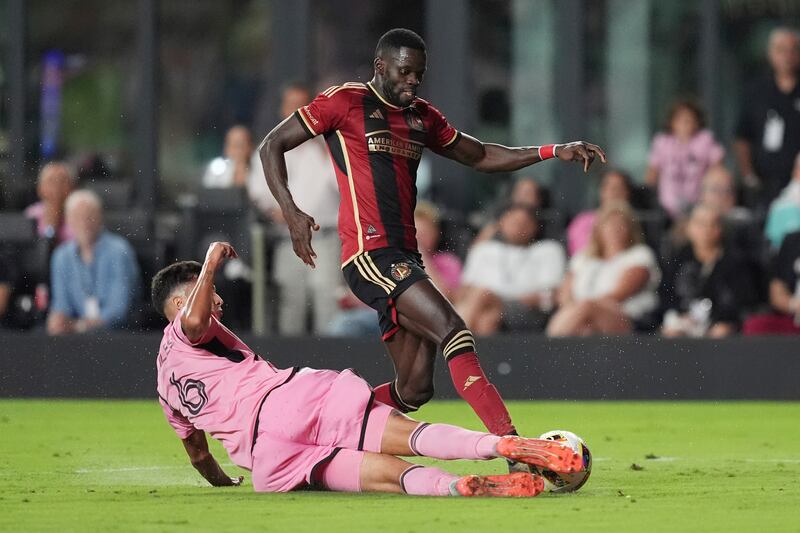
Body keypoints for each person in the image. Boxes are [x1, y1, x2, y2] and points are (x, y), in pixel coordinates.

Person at [258, 28, 606, 446]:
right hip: (370, 252)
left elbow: (479, 155)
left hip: (405, 256)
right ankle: (512, 445)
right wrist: (292, 212)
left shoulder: (421, 115)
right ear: (380, 66)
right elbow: (271, 145)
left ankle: (321, 428)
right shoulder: (344, 101)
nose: (411, 82)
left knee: (415, 388)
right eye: (404, 72)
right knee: (453, 328)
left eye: (418, 75)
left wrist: (551, 150)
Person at [152, 242, 582, 496]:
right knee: (412, 437)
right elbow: (192, 320)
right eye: (206, 294)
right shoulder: (190, 324)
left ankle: (453, 487)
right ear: (178, 303)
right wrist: (210, 262)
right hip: (289, 400)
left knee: (389, 477)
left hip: (270, 459)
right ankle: (500, 447)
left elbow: (199, 455)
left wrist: (223, 483)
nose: (218, 302)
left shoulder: (164, 385)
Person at [249, 83, 342, 335]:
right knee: (291, 302)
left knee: (327, 300)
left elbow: (340, 185)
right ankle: (291, 367)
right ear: (282, 108)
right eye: (291, 105)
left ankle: (334, 366)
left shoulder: (325, 148)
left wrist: (325, 145)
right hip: (287, 237)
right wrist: (278, 211)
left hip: (324, 236)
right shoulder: (269, 147)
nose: (296, 110)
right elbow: (258, 192)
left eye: (302, 105)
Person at [546, 202, 661, 337]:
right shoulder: (582, 258)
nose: (615, 229)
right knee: (586, 327)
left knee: (587, 308)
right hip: (580, 319)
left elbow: (620, 293)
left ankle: (548, 346)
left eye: (621, 224)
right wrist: (577, 311)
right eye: (610, 224)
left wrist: (585, 308)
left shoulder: (640, 254)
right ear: (599, 229)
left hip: (627, 317)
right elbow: (564, 293)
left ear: (631, 229)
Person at [456, 206, 565, 335]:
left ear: (535, 226)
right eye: (513, 222)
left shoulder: (549, 249)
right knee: (487, 319)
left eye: (524, 223)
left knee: (482, 294)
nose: (519, 227)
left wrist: (501, 299)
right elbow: (465, 289)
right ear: (501, 224)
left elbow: (553, 294)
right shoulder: (483, 249)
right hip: (486, 306)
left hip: (526, 309)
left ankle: (453, 344)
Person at [46, 190, 141, 335]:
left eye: (89, 216)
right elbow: (61, 306)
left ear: (100, 217)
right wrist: (58, 321)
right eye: (77, 216)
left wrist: (80, 326)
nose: (84, 222)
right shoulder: (61, 256)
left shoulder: (119, 251)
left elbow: (119, 310)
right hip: (76, 340)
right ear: (68, 221)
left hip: (118, 338)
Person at [661, 205, 757, 338]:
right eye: (700, 224)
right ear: (689, 228)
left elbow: (741, 300)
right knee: (671, 332)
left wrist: (721, 321)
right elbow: (666, 293)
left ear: (720, 229)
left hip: (718, 322)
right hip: (684, 319)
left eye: (713, 224)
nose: (706, 230)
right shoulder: (679, 259)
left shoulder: (735, 262)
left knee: (721, 332)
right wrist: (680, 315)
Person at [735, 28, 800, 208]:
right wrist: (748, 175)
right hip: (764, 185)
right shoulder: (756, 91)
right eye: (781, 50)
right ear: (771, 54)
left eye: (793, 50)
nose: (787, 56)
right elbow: (742, 137)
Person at [645, 100, 725, 218]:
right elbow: (652, 173)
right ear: (671, 122)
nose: (685, 123)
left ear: (697, 122)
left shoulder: (705, 140)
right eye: (680, 119)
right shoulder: (662, 142)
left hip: (698, 204)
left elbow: (718, 169)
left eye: (689, 119)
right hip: (666, 207)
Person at [742, 230, 800, 335]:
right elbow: (777, 287)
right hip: (793, 317)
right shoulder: (792, 240)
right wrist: (792, 304)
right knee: (755, 325)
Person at [567, 169, 633, 256]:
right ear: (601, 191)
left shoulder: (636, 222)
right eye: (610, 187)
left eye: (620, 187)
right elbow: (583, 255)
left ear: (627, 193)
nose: (614, 192)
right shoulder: (582, 222)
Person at [471, 177, 546, 248]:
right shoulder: (497, 218)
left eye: (527, 193)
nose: (522, 197)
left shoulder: (545, 226)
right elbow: (477, 249)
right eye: (519, 192)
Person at [414, 201, 462, 301]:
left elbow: (446, 298)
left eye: (424, 234)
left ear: (436, 234)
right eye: (415, 234)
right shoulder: (396, 260)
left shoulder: (447, 262)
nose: (418, 240)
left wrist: (422, 256)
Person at [24, 161, 76, 244]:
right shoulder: (32, 214)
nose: (57, 187)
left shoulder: (79, 214)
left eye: (62, 181)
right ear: (40, 189)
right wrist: (51, 228)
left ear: (73, 188)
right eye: (51, 181)